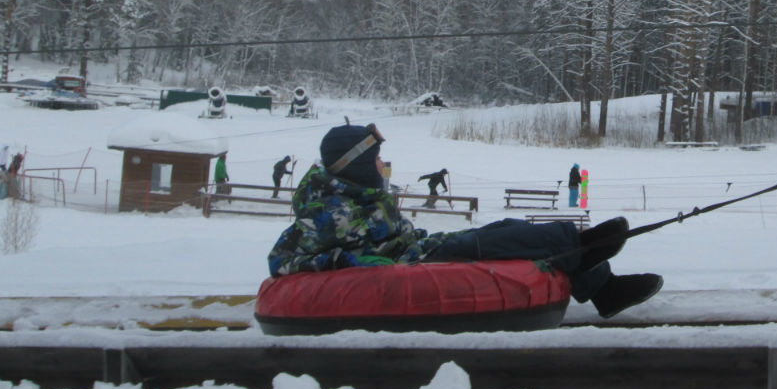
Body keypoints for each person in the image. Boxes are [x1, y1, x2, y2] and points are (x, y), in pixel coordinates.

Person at [267, 124, 663, 318]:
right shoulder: (323, 212)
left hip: (417, 247)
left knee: (503, 229)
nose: (381, 166)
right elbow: (284, 258)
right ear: (354, 164)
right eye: (374, 160)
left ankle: (603, 285)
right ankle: (584, 244)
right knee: (500, 243)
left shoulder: (357, 196)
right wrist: (355, 264)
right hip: (408, 264)